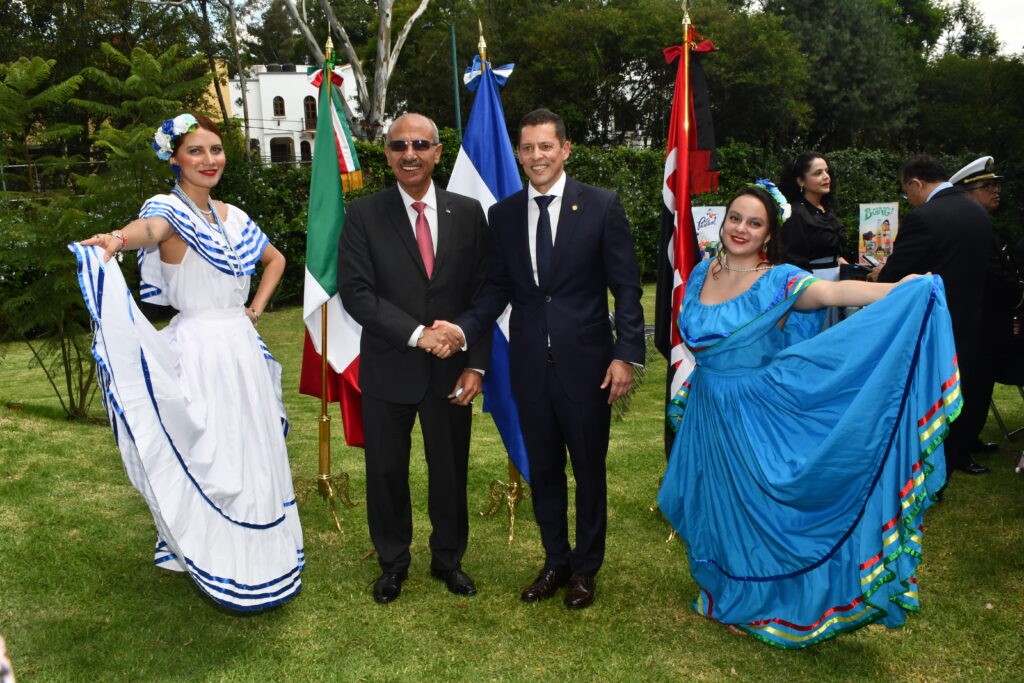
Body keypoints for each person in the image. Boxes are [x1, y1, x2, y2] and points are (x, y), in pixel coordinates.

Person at [658, 185, 956, 648]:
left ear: (768, 234)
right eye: (735, 218)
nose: (740, 229)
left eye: (754, 223)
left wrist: (897, 288)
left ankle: (762, 597)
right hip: (708, 409)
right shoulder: (701, 272)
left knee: (757, 510)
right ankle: (724, 590)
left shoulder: (778, 280)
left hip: (752, 412)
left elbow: (831, 291)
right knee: (715, 504)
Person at [70, 113, 304, 611]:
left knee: (251, 445)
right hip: (200, 347)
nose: (209, 159)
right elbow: (148, 229)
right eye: (196, 151)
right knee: (213, 449)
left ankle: (258, 547)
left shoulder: (234, 215)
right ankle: (207, 543)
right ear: (174, 159)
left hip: (240, 343)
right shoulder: (168, 210)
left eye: (216, 150)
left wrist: (255, 309)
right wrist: (116, 238)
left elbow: (276, 259)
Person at [436, 108, 645, 610]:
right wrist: (463, 328)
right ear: (518, 153)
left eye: (545, 146)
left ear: (565, 149)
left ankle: (586, 570)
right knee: (544, 470)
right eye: (526, 148)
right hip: (530, 368)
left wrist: (627, 356)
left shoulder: (601, 206)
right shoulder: (503, 215)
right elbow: (497, 290)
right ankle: (556, 561)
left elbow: (627, 288)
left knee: (589, 472)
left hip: (589, 367)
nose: (535, 156)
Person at [337, 113, 490, 604]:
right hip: (388, 369)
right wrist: (418, 334)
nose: (410, 153)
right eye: (399, 145)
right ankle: (392, 563)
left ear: (437, 152)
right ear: (386, 153)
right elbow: (356, 293)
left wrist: (475, 361)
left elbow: (483, 294)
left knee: (450, 471)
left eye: (420, 144)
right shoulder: (363, 214)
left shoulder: (468, 212)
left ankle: (449, 560)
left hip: (452, 371)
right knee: (385, 473)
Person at [876, 155, 994, 476]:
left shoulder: (923, 217)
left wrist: (878, 275)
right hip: (971, 318)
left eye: (906, 192)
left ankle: (929, 455)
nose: (909, 199)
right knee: (960, 386)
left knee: (931, 389)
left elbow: (896, 276)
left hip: (931, 323)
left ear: (916, 183)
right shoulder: (978, 213)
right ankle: (955, 451)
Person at [951, 156, 1024, 454]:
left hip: (994, 324)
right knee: (974, 388)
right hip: (980, 326)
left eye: (995, 186)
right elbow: (995, 279)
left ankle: (971, 440)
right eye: (987, 186)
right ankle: (962, 449)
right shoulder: (971, 231)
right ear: (967, 194)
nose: (996, 191)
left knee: (981, 390)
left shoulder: (987, 228)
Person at [779, 152, 848, 327]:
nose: (826, 177)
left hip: (837, 284)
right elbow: (793, 258)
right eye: (817, 173)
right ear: (801, 181)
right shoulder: (796, 213)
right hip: (813, 286)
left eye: (826, 171)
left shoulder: (826, 209)